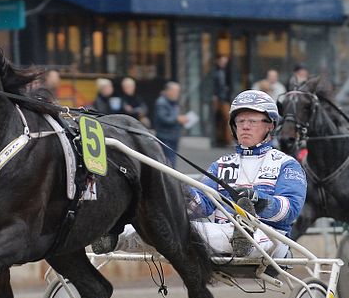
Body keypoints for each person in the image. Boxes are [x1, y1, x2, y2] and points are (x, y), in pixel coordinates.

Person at [103, 90, 307, 258]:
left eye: (252, 121)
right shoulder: (221, 164)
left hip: (269, 240)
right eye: (240, 121)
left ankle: (241, 236)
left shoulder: (286, 164)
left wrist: (259, 201)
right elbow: (200, 204)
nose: (244, 126)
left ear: (270, 125)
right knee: (166, 224)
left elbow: (291, 210)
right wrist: (175, 193)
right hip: (220, 236)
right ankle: (114, 235)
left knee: (188, 232)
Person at [154, 81, 188, 167]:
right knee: (168, 160)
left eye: (178, 91)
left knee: (172, 160)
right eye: (175, 91)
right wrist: (178, 119)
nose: (177, 94)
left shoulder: (173, 102)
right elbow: (164, 119)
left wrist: (182, 120)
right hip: (165, 137)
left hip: (173, 136)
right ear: (168, 91)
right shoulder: (161, 102)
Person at [212, 55, 233, 146]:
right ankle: (220, 138)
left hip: (224, 99)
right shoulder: (215, 72)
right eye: (222, 61)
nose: (223, 63)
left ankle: (227, 139)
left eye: (225, 62)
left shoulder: (227, 72)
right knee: (218, 119)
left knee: (227, 118)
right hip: (218, 98)